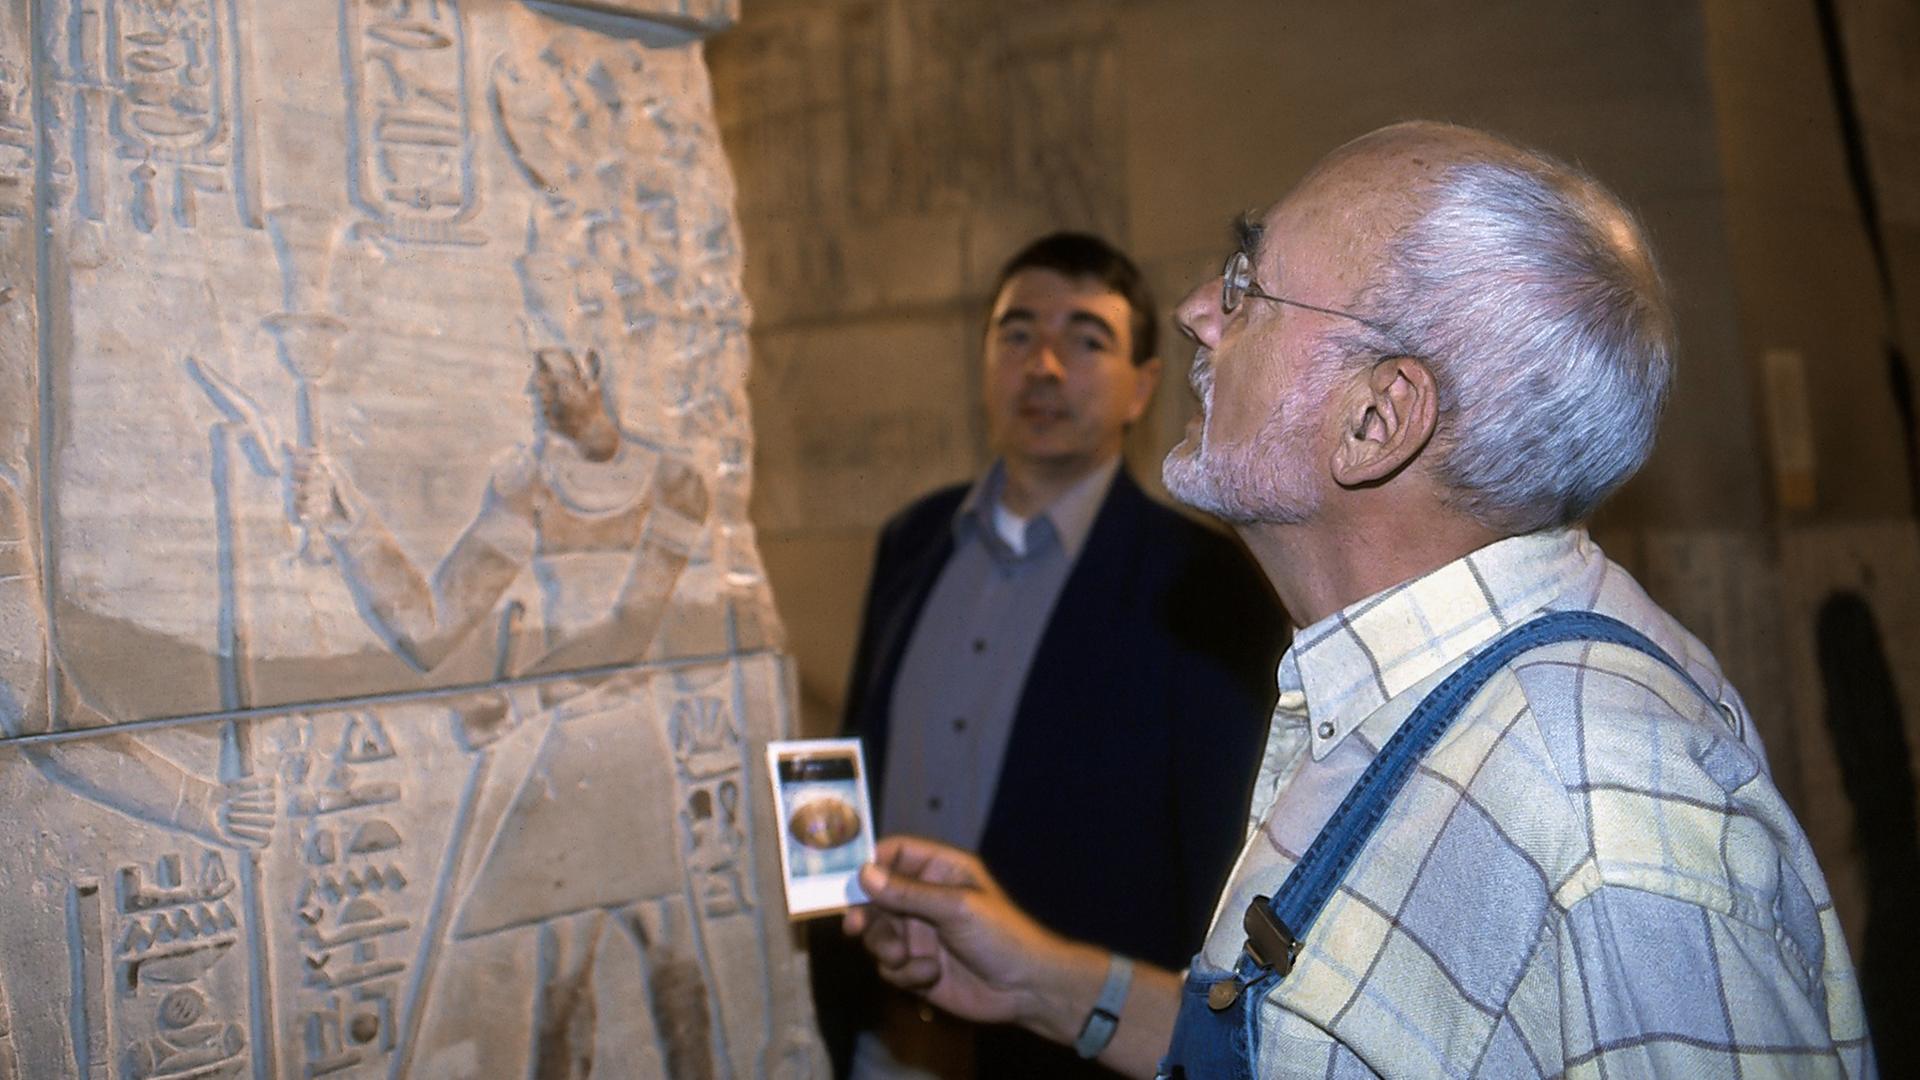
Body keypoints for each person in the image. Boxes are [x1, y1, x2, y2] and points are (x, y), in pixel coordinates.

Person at [843, 123, 1874, 1078]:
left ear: (1377, 420)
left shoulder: (1604, 807)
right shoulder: (1396, 683)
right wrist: (1043, 982)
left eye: (1248, 286)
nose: (1200, 312)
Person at [824, 233, 1287, 1077]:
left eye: (1086, 339)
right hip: (882, 1035)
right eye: (1016, 332)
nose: (1043, 364)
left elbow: (1219, 865)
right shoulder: (912, 541)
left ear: (1143, 385)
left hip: (1068, 1050)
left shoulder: (1207, 584)